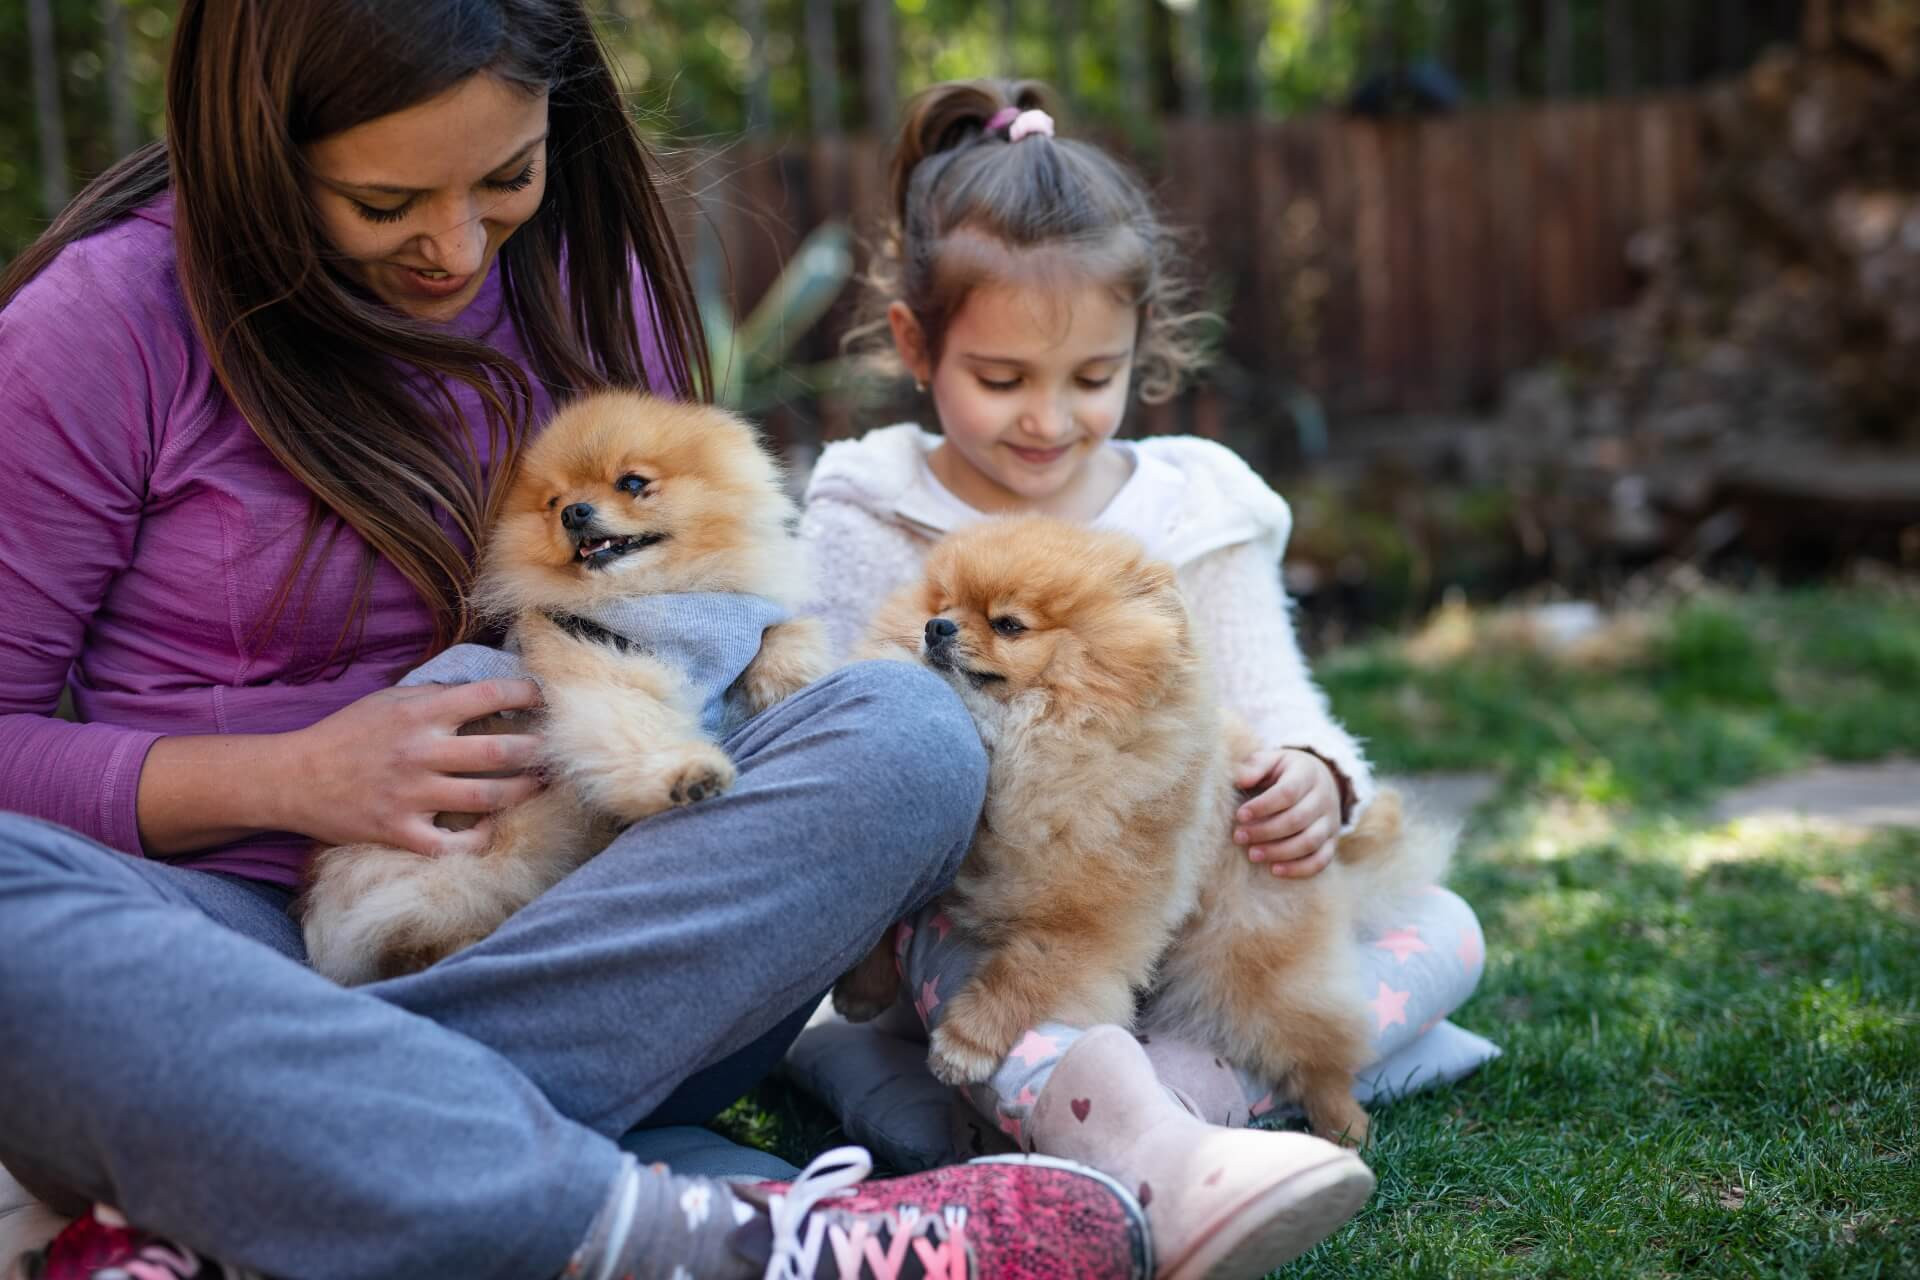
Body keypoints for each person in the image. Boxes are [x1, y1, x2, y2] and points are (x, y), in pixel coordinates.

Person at [0, 9, 1166, 1279]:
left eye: (506, 177)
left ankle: (287, 1164)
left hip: (591, 925)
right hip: (217, 931)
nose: (455, 246)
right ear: (260, 152)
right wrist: (289, 779)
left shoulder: (584, 276)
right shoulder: (102, 323)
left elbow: (704, 614)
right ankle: (640, 1217)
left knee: (906, 733)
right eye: (384, 201)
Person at [796, 79, 1495, 1279]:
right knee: (995, 960)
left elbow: (1279, 699)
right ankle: (1129, 1127)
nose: (1048, 420)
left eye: (1091, 376)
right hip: (983, 918)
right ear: (918, 346)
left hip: (1190, 909)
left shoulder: (1192, 500)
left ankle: (1144, 1099)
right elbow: (830, 726)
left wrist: (1314, 781)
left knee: (1449, 928)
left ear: (1142, 349)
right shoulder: (874, 501)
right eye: (1004, 378)